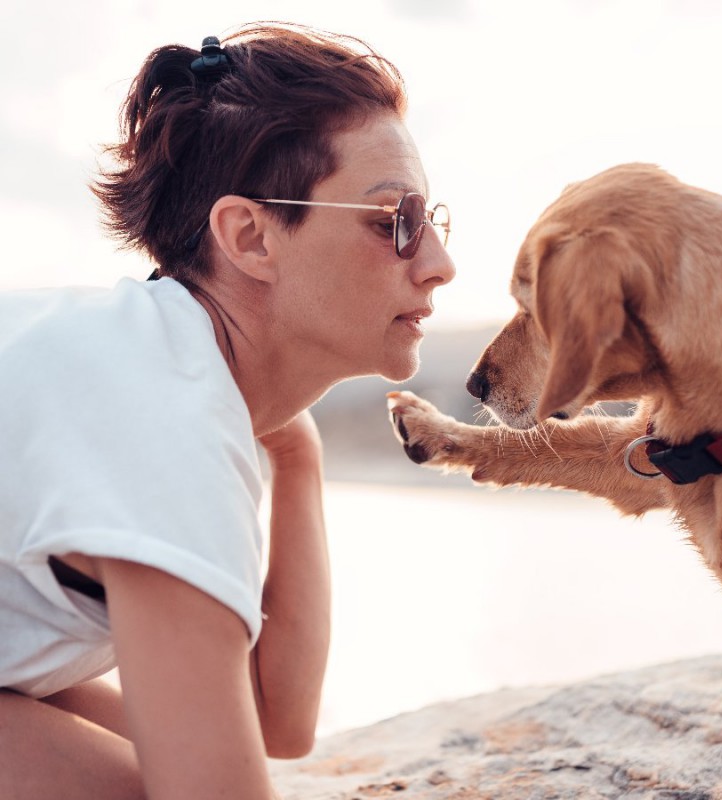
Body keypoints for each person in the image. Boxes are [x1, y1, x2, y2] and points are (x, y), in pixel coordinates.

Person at [0, 23, 454, 798]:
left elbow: (277, 719)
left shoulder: (161, 366)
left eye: (431, 221)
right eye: (394, 223)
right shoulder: (160, 420)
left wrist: (298, 457)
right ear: (249, 236)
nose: (441, 265)